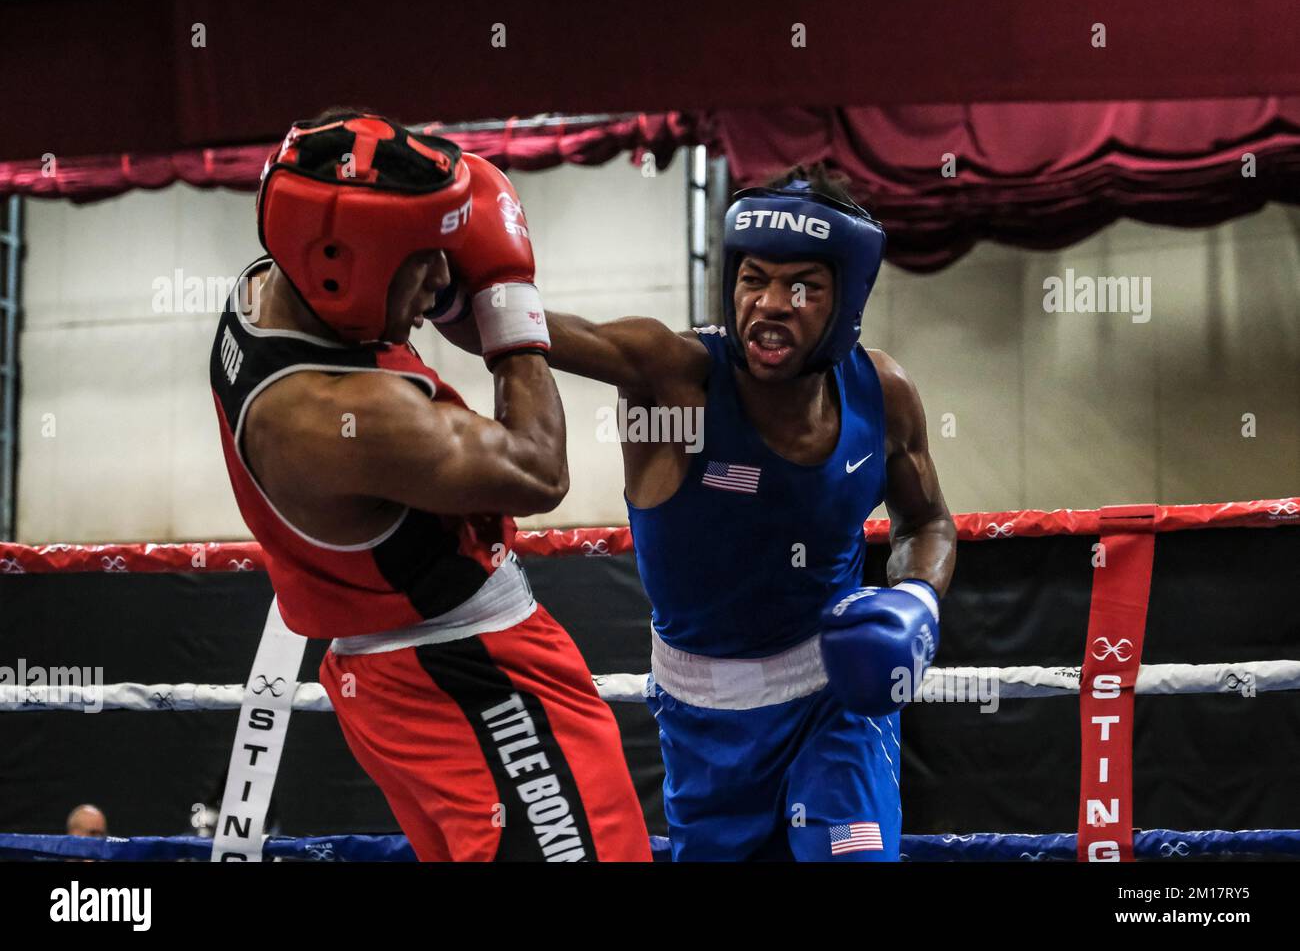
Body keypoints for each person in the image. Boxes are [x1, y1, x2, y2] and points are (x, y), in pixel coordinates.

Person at [441, 166, 956, 860]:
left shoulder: (882, 392)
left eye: (801, 285)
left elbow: (927, 523)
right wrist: (444, 271)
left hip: (837, 702)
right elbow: (510, 332)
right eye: (754, 279)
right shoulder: (673, 377)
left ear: (847, 299)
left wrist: (917, 599)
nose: (771, 303)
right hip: (706, 724)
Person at [209, 111, 650, 862]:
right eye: (424, 262)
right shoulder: (341, 413)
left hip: (400, 679)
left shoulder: (272, 288)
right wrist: (509, 302)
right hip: (471, 679)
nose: (446, 280)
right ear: (340, 268)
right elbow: (538, 470)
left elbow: (344, 152)